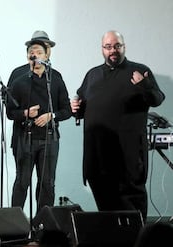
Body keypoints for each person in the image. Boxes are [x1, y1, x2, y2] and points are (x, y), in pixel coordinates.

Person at [71, 30, 165, 220]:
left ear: (124, 47)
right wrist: (76, 107)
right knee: (106, 211)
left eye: (117, 46)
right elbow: (82, 105)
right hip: (97, 157)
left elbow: (157, 99)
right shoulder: (92, 75)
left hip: (127, 156)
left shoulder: (138, 70)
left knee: (132, 208)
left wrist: (144, 85)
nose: (113, 50)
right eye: (108, 47)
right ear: (102, 49)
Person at [6, 39, 71, 211]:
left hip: (49, 139)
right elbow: (10, 112)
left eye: (39, 52)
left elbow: (67, 110)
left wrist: (52, 115)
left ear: (46, 55)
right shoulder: (20, 81)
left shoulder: (55, 79)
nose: (35, 55)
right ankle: (16, 226)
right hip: (25, 139)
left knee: (47, 184)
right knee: (22, 182)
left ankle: (43, 226)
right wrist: (25, 114)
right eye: (31, 52)